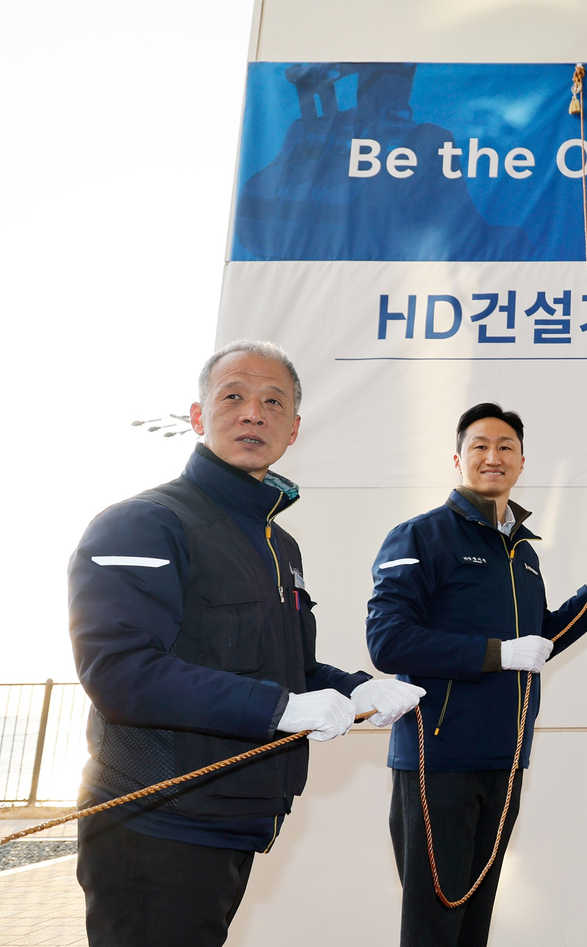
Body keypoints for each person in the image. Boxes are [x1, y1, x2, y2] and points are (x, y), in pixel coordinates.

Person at [69, 340, 424, 947]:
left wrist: (359, 689)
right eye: (233, 396)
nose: (253, 413)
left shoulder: (278, 546)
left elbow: (288, 667)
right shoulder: (144, 522)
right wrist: (277, 709)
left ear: (293, 430)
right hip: (156, 822)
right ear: (199, 416)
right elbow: (121, 672)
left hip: (236, 819)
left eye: (272, 402)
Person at [367, 402, 587, 947]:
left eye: (505, 446)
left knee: (472, 924)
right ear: (458, 458)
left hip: (505, 759)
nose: (494, 456)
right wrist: (496, 654)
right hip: (437, 759)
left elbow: (538, 643)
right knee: (435, 925)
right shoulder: (421, 537)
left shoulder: (523, 554)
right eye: (480, 446)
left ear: (522, 460)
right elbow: (387, 641)